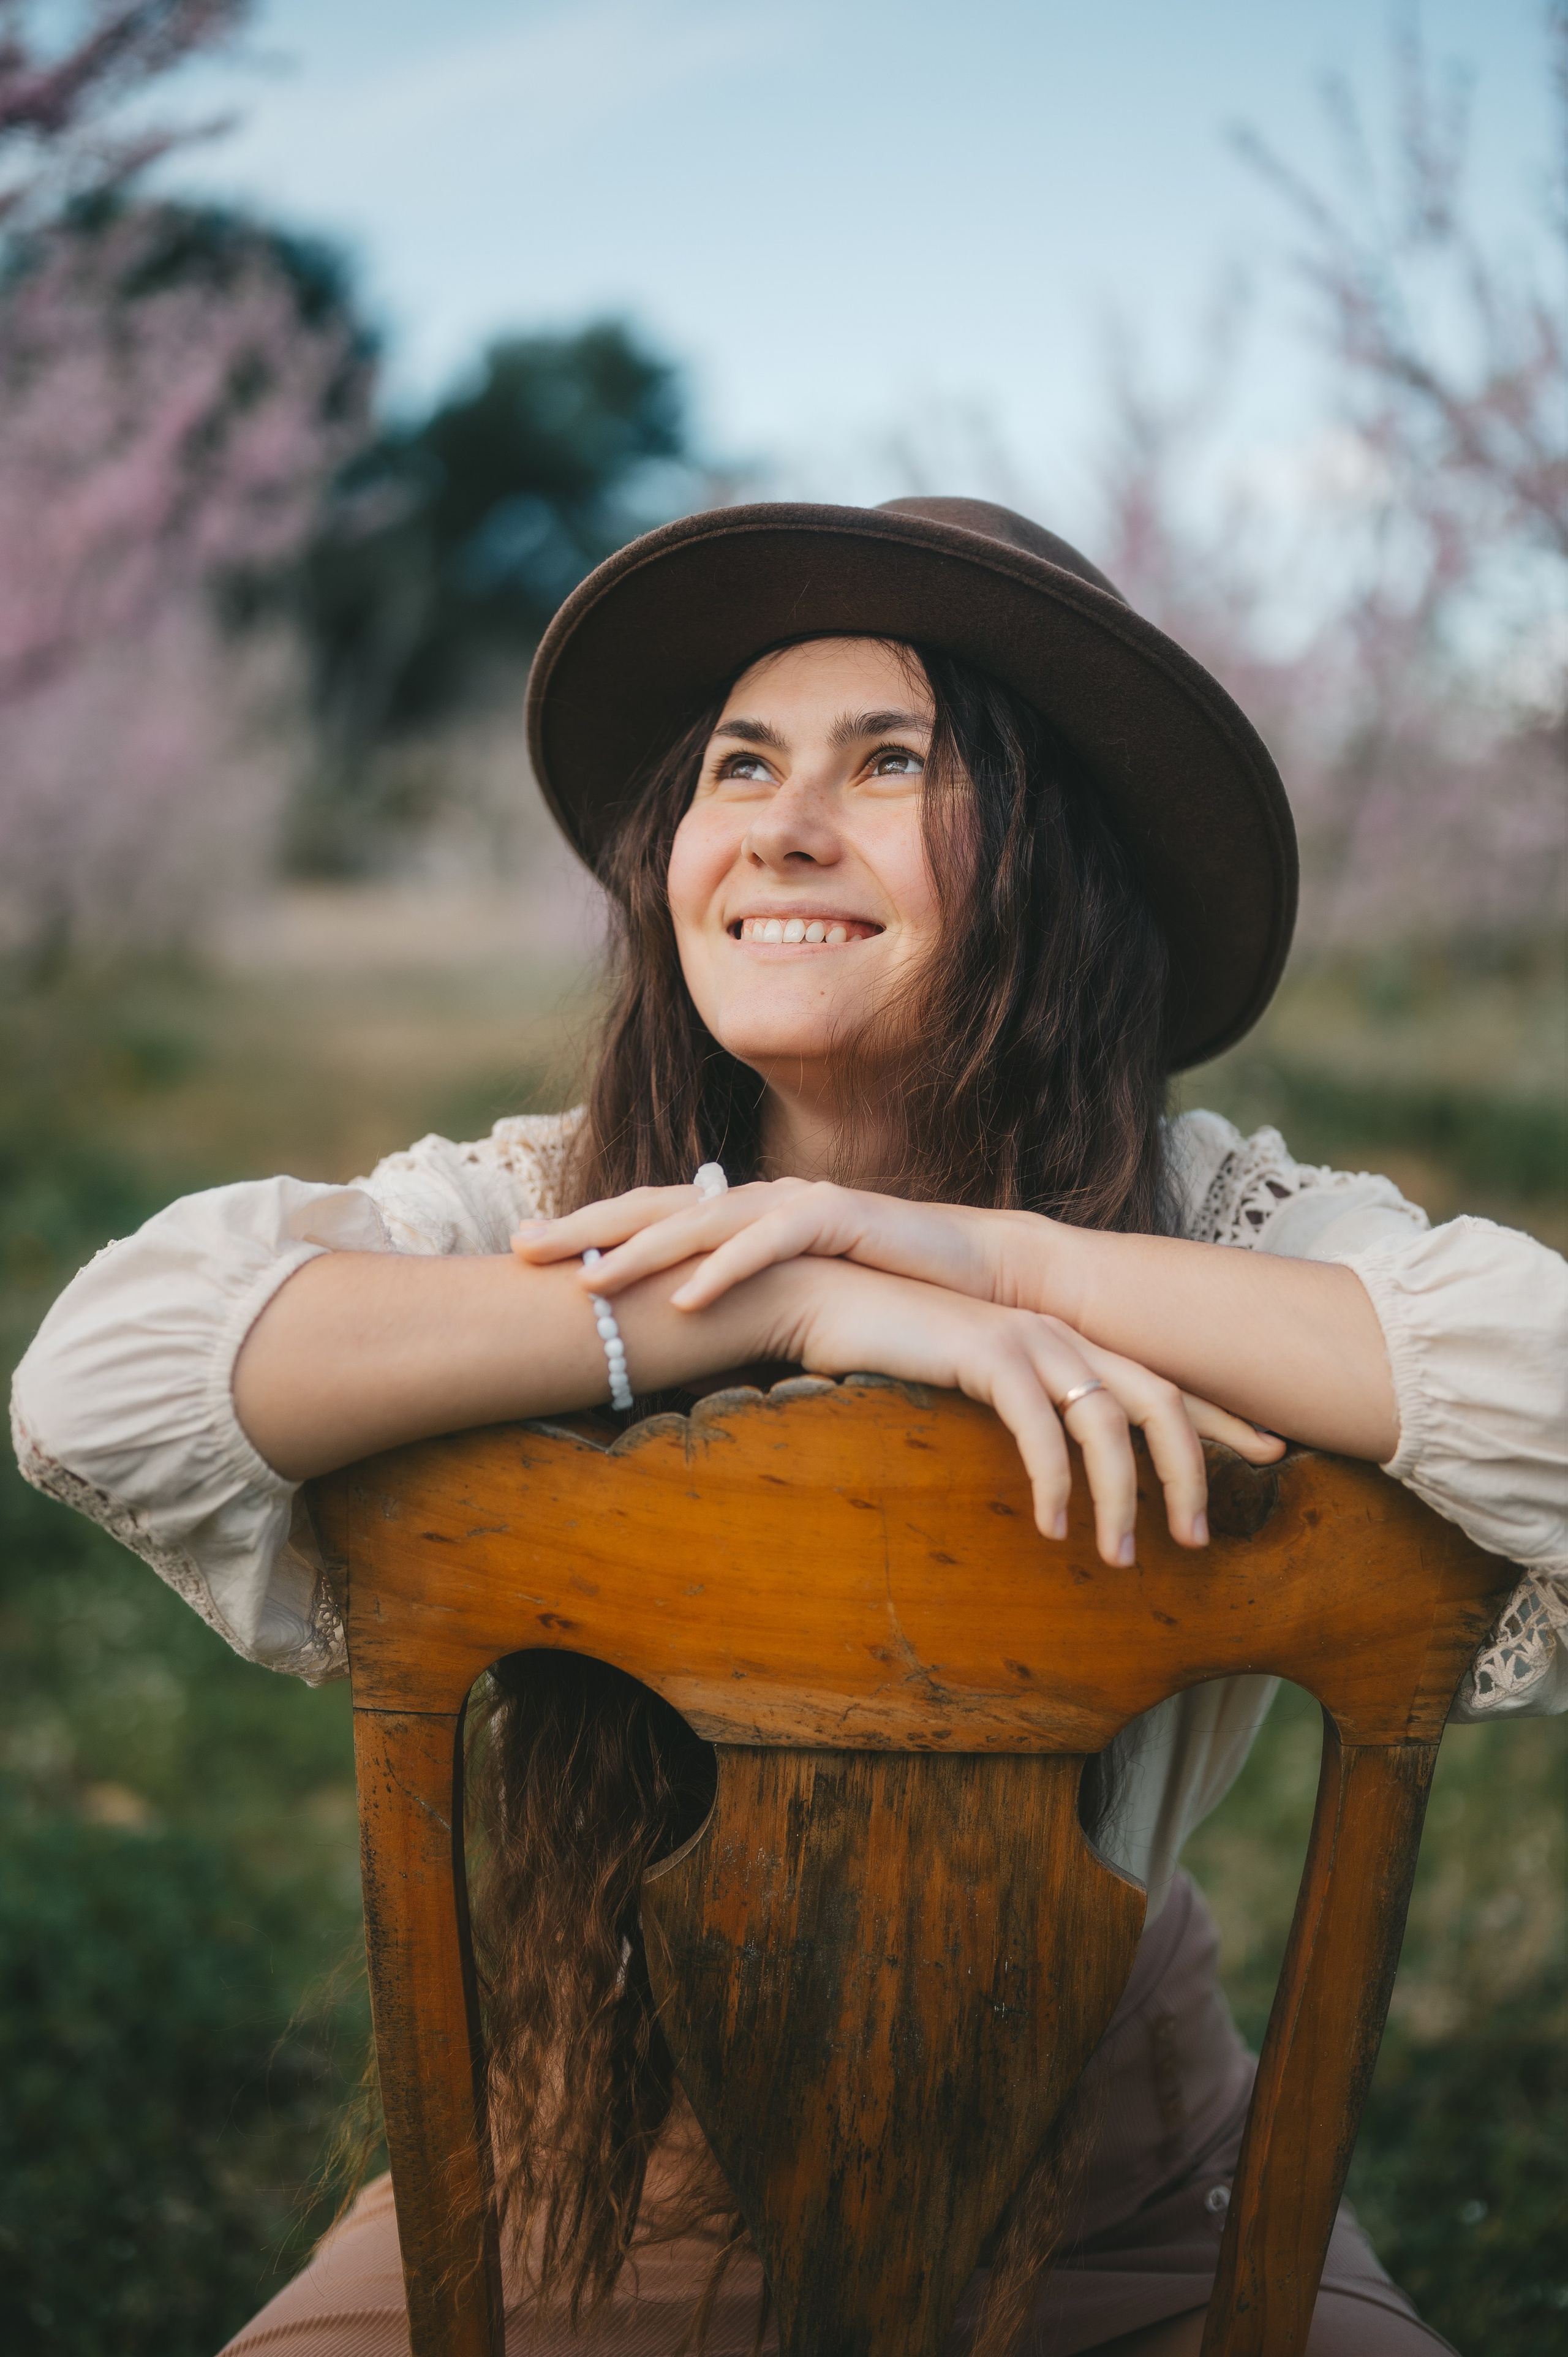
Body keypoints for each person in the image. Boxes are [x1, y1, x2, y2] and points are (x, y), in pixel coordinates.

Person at [11, 497, 1566, 2356]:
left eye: (891, 761)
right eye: (740, 766)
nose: (781, 827)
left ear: (1056, 858)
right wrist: (764, 1296)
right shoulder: (552, 1200)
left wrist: (998, 1257)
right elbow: (97, 1382)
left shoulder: (1208, 1219)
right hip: (589, 2167)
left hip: (1124, 2191)